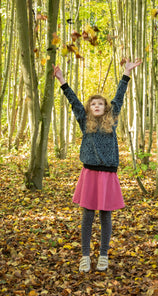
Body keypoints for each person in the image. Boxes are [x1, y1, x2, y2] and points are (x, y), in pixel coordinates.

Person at [53, 58, 142, 272]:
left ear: (106, 108)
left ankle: (103, 254)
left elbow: (119, 97)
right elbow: (74, 101)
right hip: (90, 174)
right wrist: (62, 81)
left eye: (100, 103)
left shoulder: (112, 120)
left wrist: (126, 74)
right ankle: (85, 255)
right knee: (87, 215)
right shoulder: (85, 122)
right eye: (93, 104)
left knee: (106, 215)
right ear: (89, 109)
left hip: (108, 174)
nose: (96, 106)